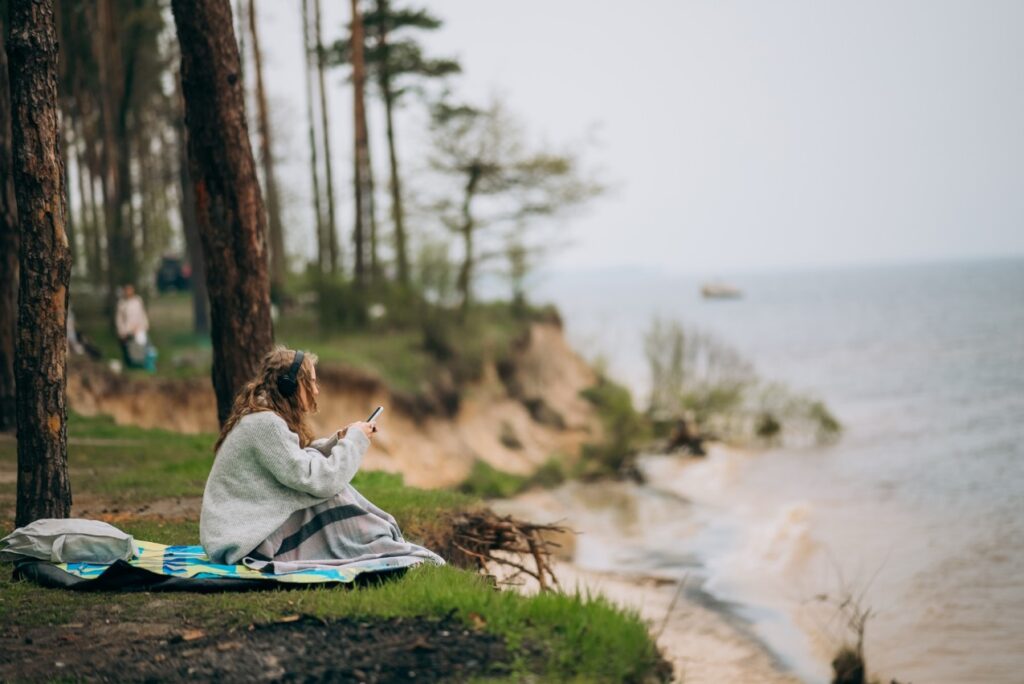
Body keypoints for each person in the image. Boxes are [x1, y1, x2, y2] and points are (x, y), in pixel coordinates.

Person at [199, 348, 444, 572]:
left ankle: (380, 539)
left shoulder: (263, 418)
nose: (316, 390)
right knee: (330, 496)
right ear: (290, 386)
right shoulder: (266, 424)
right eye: (312, 382)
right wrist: (355, 441)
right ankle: (381, 541)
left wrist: (339, 439)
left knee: (323, 494)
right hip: (240, 539)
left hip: (237, 530)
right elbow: (320, 480)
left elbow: (296, 461)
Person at [115, 284, 151, 368]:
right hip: (127, 329)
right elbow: (119, 319)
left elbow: (142, 314)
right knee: (128, 346)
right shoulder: (122, 303)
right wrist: (122, 331)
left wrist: (144, 325)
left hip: (139, 328)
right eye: (127, 290)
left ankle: (142, 362)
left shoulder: (137, 300)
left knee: (141, 344)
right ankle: (131, 363)